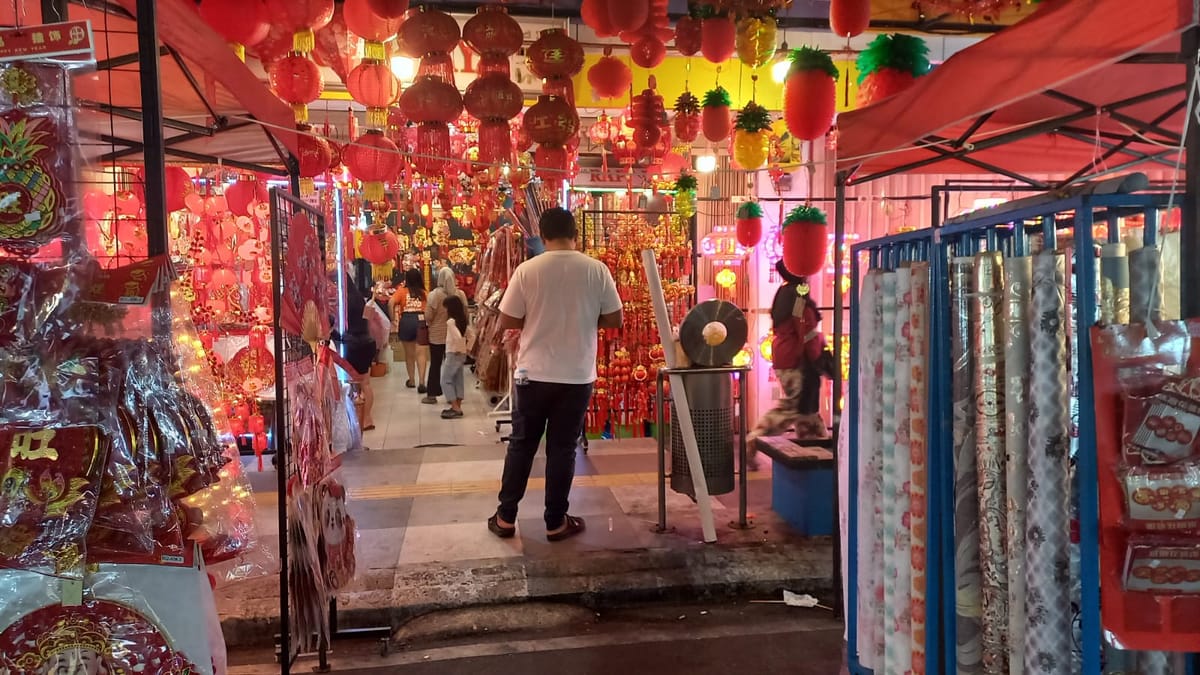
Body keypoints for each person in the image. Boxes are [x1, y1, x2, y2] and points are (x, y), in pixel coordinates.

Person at [488, 207, 622, 542]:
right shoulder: (597, 270)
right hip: (576, 375)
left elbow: (507, 319)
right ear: (575, 233)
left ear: (543, 236)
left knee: (522, 445)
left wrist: (537, 319)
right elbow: (615, 319)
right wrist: (585, 319)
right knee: (562, 448)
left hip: (532, 374)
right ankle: (555, 521)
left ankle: (506, 518)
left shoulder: (527, 270)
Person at [747, 261, 829, 460]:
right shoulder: (799, 297)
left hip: (784, 355)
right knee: (793, 407)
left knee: (806, 410)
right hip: (796, 358)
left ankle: (818, 448)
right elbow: (805, 330)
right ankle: (755, 438)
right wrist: (820, 353)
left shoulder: (784, 292)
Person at [424, 266, 468, 405]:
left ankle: (432, 394)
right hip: (456, 339)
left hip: (436, 336)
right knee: (456, 368)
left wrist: (432, 323)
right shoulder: (460, 294)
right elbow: (465, 315)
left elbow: (428, 316)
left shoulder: (434, 295)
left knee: (435, 365)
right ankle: (455, 397)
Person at [337, 284, 379, 431]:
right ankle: (367, 418)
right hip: (367, 343)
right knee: (366, 384)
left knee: (351, 384)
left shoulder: (342, 301)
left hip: (352, 344)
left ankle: (355, 420)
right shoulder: (361, 300)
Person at [389, 268, 429, 392]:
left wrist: (393, 320)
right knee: (421, 354)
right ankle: (422, 382)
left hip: (406, 320)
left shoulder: (401, 291)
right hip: (421, 320)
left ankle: (411, 380)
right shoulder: (424, 293)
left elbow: (391, 303)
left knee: (409, 354)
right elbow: (429, 308)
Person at [439, 295, 474, 419]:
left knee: (445, 380)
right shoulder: (463, 320)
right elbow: (472, 335)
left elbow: (457, 337)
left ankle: (455, 407)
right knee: (458, 380)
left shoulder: (451, 322)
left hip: (453, 352)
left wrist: (460, 348)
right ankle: (458, 405)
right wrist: (467, 349)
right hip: (461, 354)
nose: (444, 310)